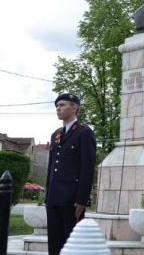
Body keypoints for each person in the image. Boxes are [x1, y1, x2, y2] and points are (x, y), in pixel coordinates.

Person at [45, 93, 96, 255]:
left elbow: (87, 168)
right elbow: (51, 167)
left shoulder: (84, 132)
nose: (58, 109)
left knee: (72, 244)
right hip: (54, 197)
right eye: (57, 106)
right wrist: (47, 195)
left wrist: (82, 199)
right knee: (54, 243)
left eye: (62, 105)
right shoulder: (56, 134)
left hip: (72, 200)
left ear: (74, 107)